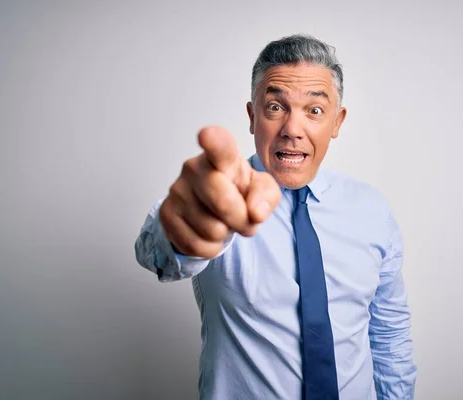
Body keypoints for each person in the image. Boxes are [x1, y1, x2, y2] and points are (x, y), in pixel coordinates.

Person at [135, 34, 417, 399]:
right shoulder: (221, 198)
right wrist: (183, 231)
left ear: (337, 121)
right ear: (253, 117)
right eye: (274, 107)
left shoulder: (372, 210)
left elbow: (389, 335)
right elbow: (158, 252)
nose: (292, 130)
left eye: (314, 111)